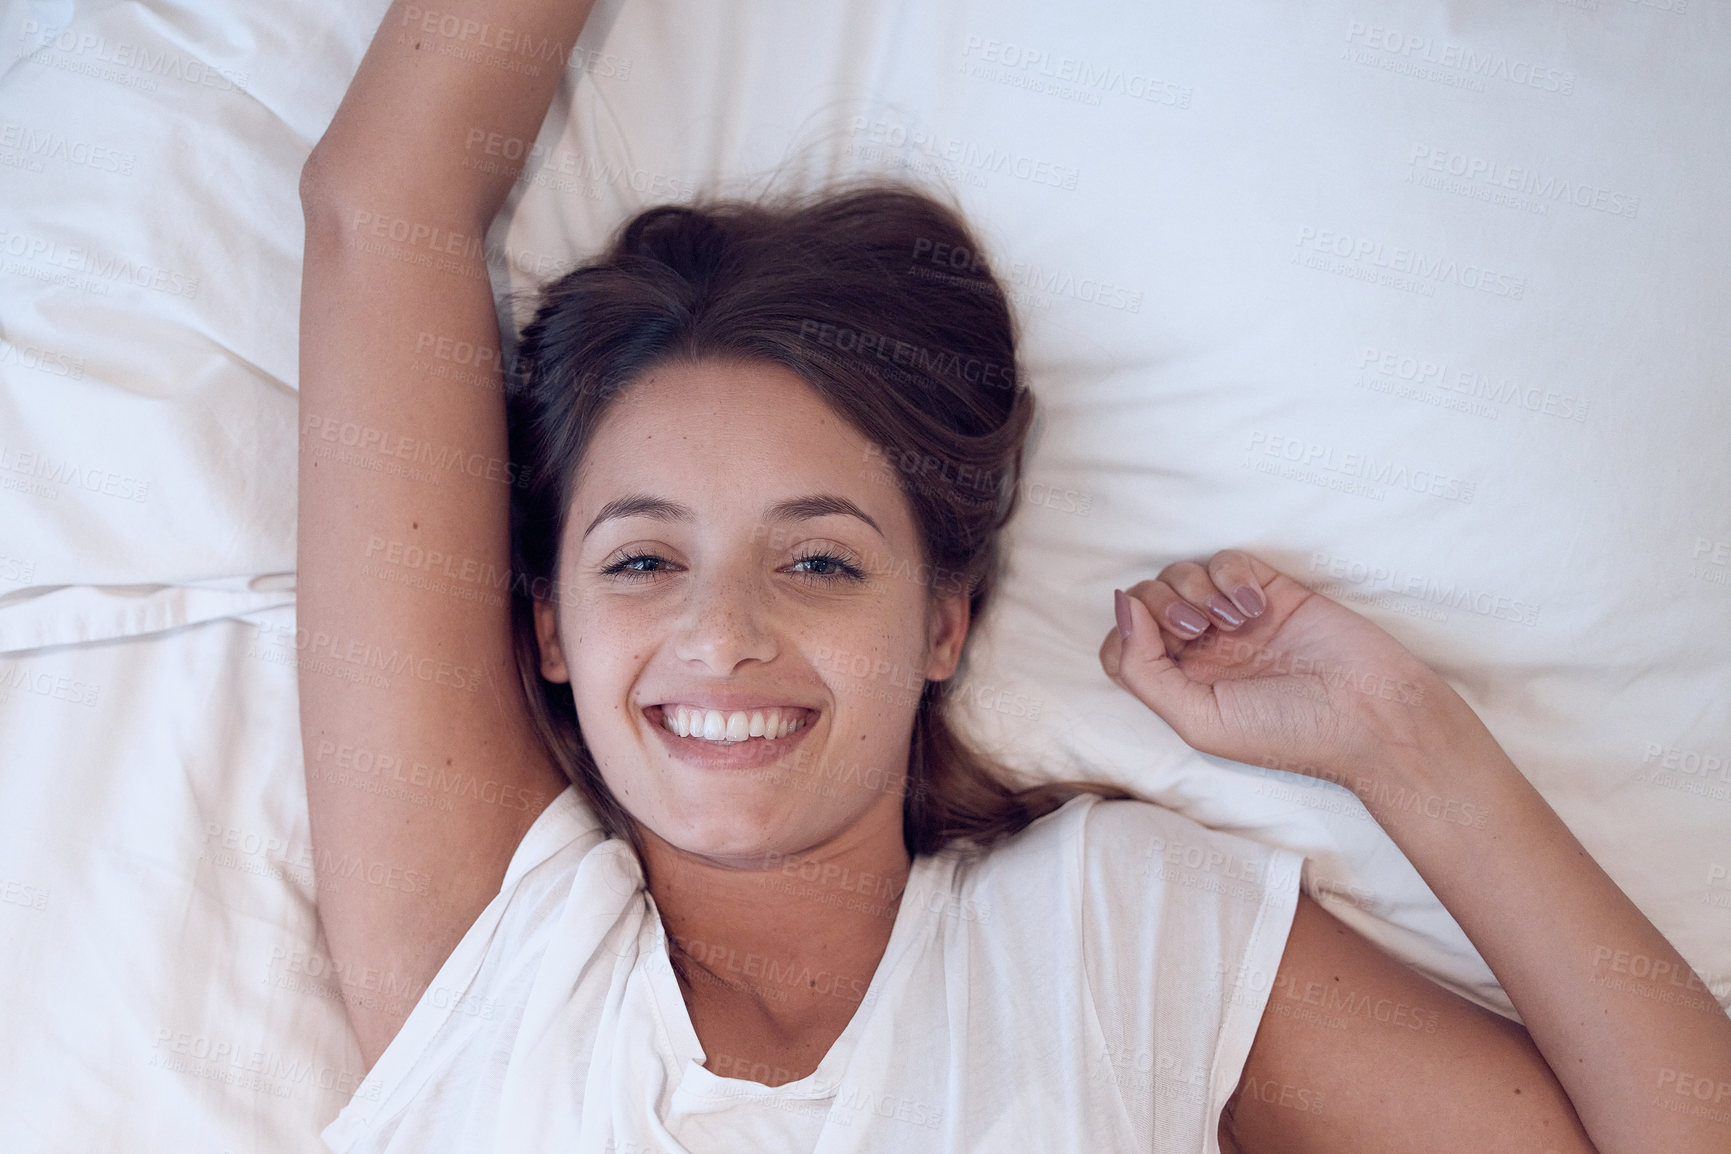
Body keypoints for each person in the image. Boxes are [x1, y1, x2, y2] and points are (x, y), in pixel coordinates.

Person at [295, 1, 1731, 1150]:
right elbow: (385, 202)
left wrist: (1409, 745)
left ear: (942, 620)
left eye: (817, 559)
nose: (720, 632)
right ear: (548, 624)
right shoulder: (495, 958)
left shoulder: (1108, 934)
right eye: (643, 558)